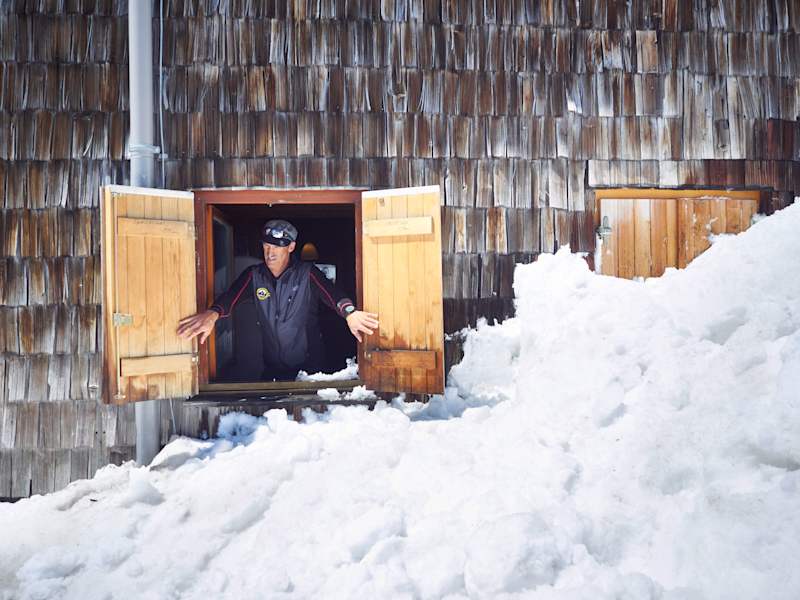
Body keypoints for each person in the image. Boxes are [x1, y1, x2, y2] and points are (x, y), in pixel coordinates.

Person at [177, 219, 379, 380]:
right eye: (266, 246)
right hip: (273, 366)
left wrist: (350, 313)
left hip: (310, 366)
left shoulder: (307, 273)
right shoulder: (254, 275)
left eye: (276, 247)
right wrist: (212, 314)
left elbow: (333, 294)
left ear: (291, 247)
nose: (269, 253)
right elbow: (231, 297)